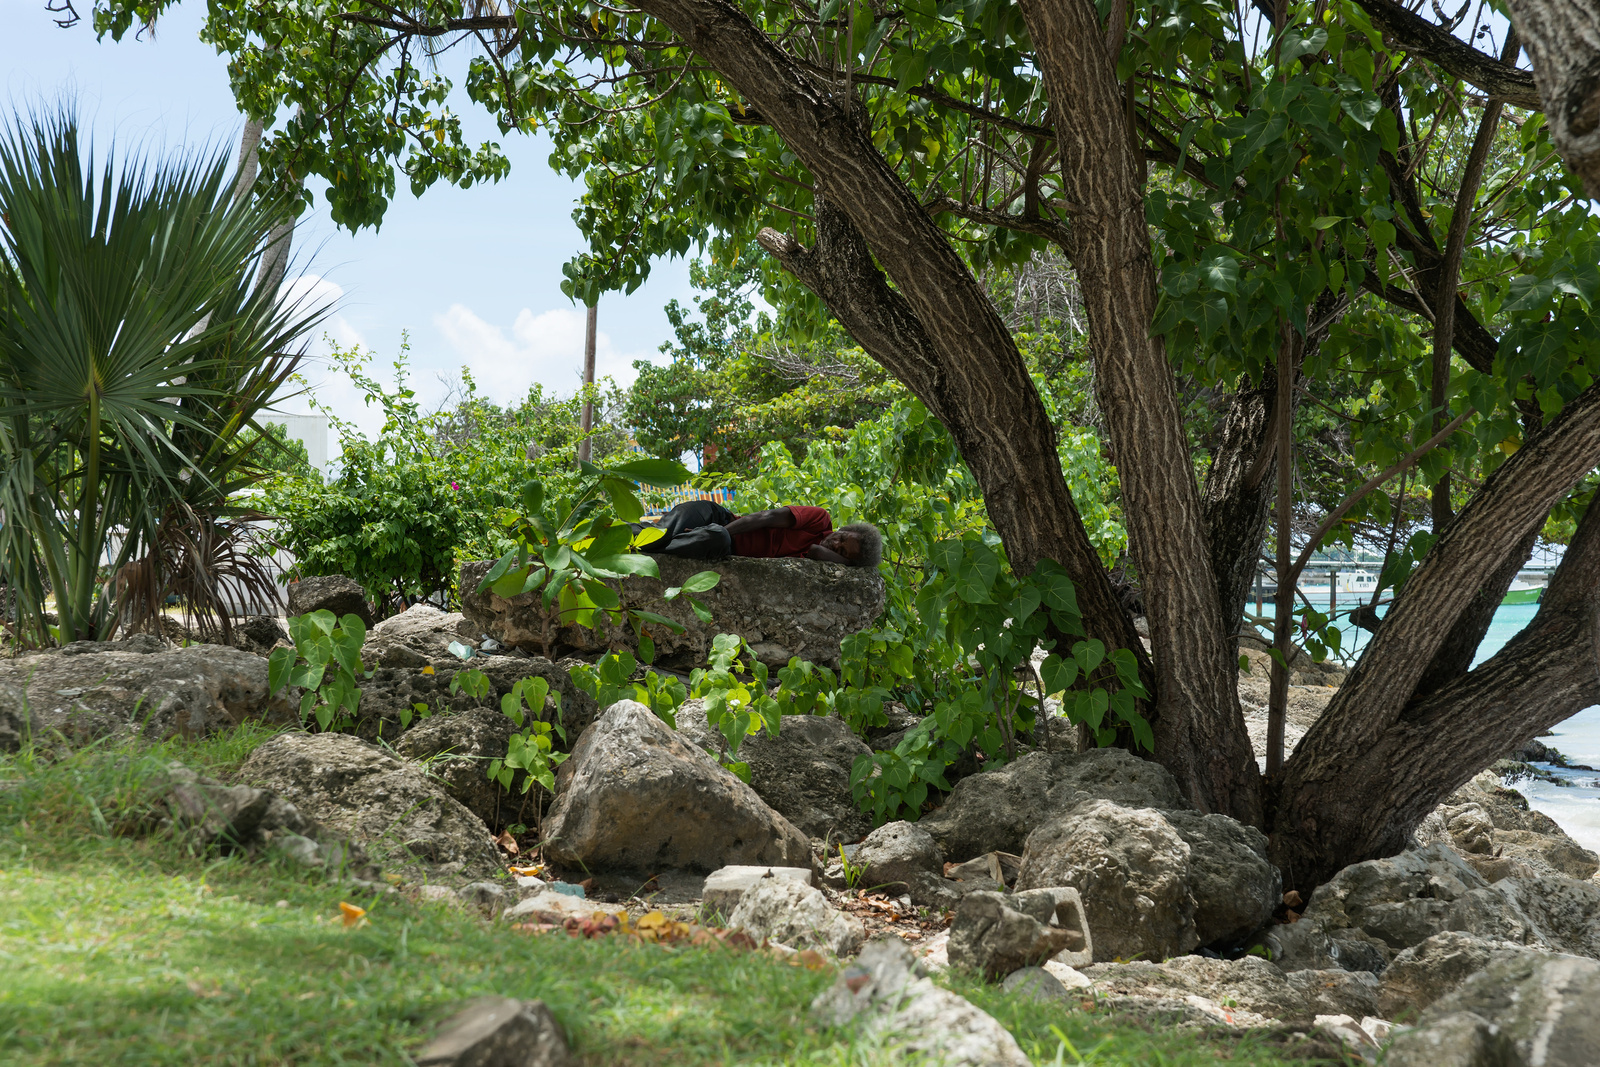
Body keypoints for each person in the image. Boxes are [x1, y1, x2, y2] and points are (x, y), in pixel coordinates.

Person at [639, 499, 882, 566]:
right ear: (843, 528)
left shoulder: (819, 560)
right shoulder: (820, 519)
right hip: (717, 518)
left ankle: (640, 551)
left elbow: (816, 551)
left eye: (841, 550)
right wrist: (717, 529)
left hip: (722, 544)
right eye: (841, 537)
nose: (834, 543)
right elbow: (765, 517)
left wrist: (847, 564)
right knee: (658, 533)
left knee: (714, 539)